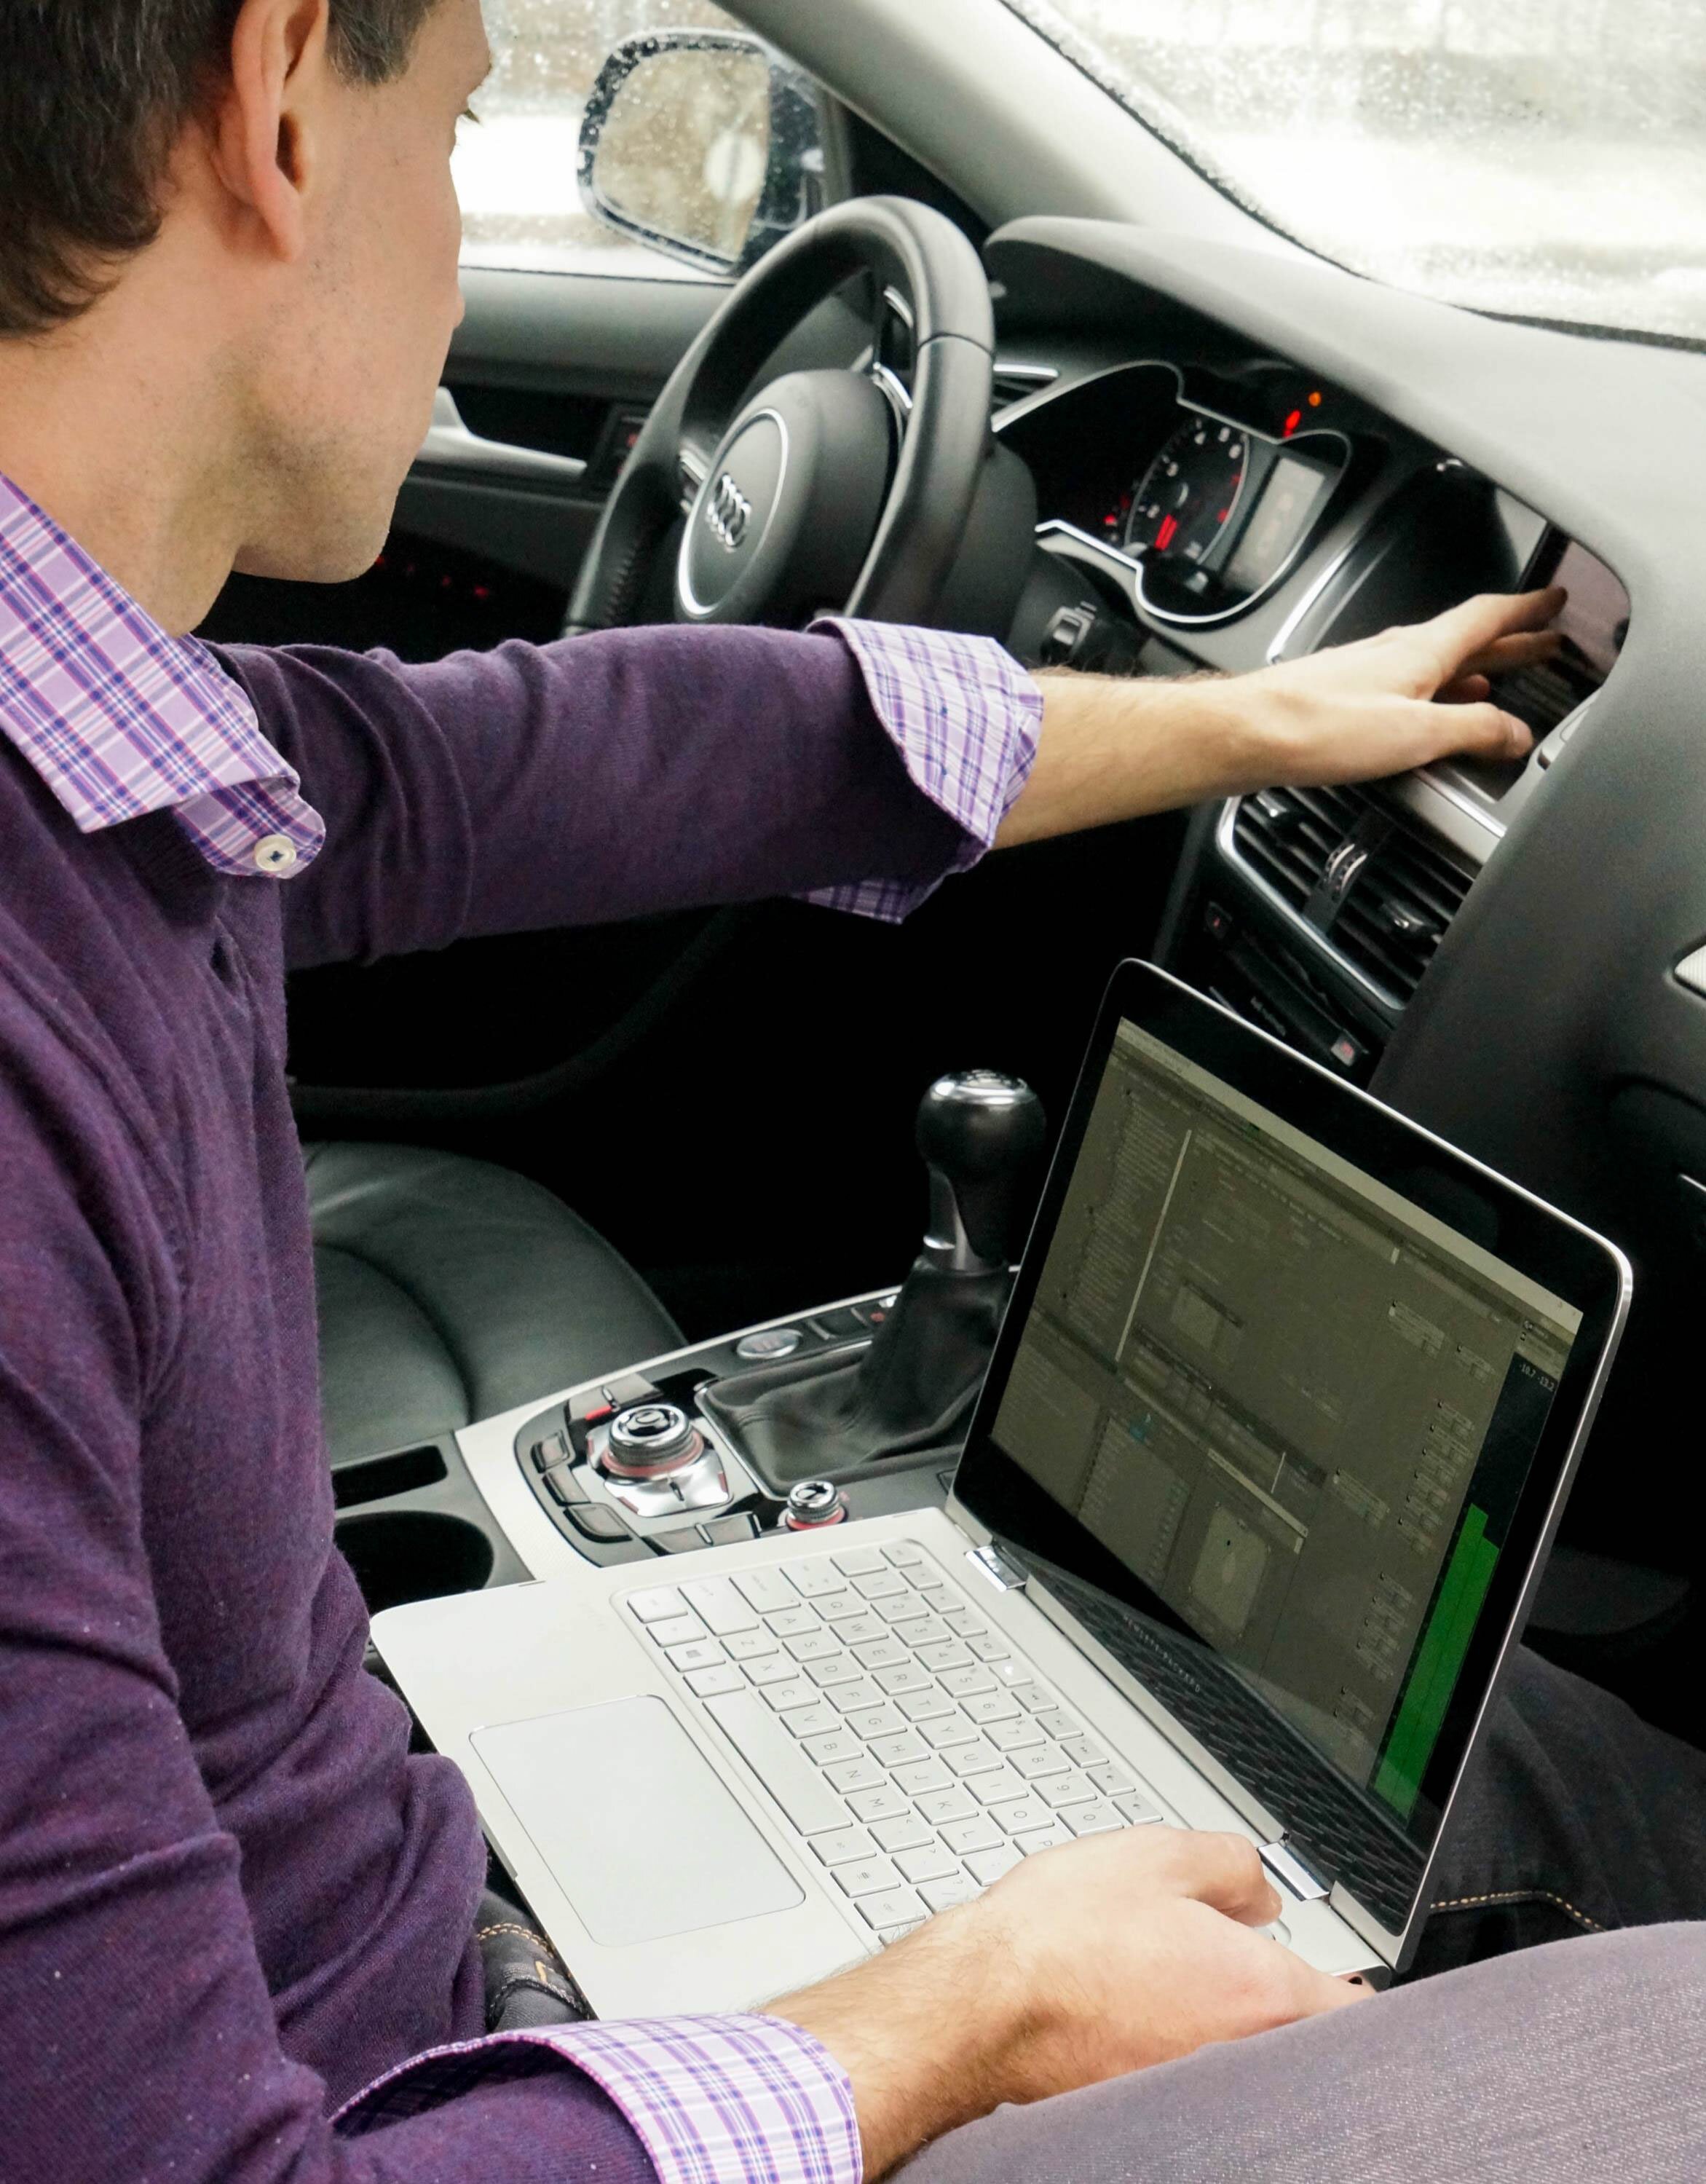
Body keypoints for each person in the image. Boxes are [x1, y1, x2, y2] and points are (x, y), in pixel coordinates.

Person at [4, 4, 1696, 2183]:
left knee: (1488, 1760)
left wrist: (1262, 719)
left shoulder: (115, 760)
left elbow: (575, 758)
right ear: (282, 102)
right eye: (460, 119)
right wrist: (966, 2013)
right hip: (405, 2099)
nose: (456, 233)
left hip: (381, 1943)